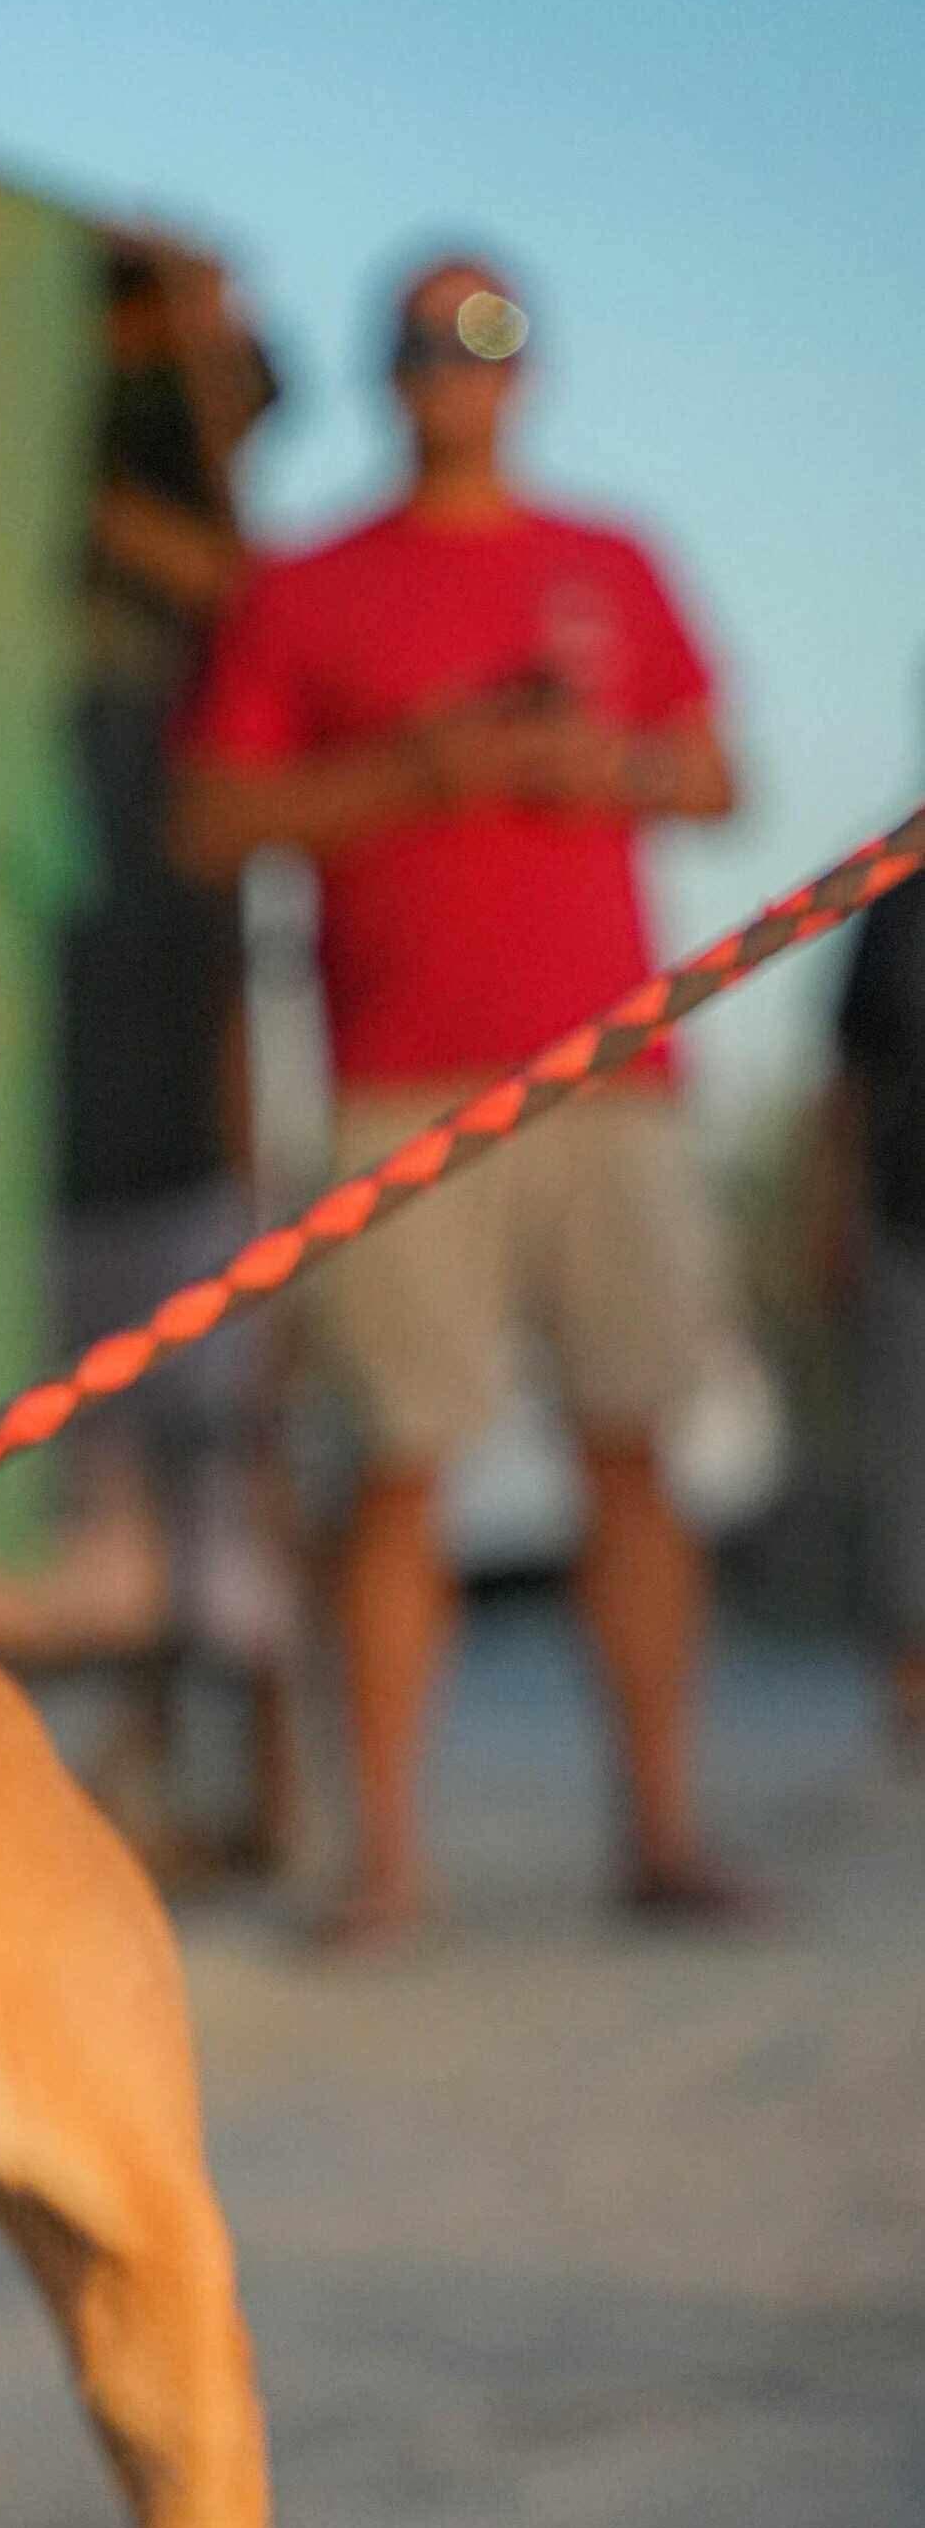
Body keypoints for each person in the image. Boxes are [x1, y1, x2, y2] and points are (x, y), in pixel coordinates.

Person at [174, 253, 761, 1944]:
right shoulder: (305, 586)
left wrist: (615, 767)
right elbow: (212, 822)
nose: (459, 368)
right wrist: (418, 774)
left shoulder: (611, 558)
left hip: (613, 1072)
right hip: (396, 1086)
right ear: (390, 373)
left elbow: (717, 774)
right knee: (399, 1470)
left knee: (633, 1450)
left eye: (489, 338)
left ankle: (660, 1836)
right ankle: (385, 1870)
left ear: (528, 369)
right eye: (430, 341)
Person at [0, 242, 298, 1883]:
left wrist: (195, 339)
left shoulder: (211, 625)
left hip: (178, 1099)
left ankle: (254, 1795)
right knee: (61, 1498)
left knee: (221, 1470)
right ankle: (112, 1793)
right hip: (24, 1114)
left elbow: (248, 577)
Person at [817, 835, 925, 1759]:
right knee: (906, 1459)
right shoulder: (897, 899)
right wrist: (831, 1214)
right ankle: (914, 1690)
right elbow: (848, 1068)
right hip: (908, 1212)